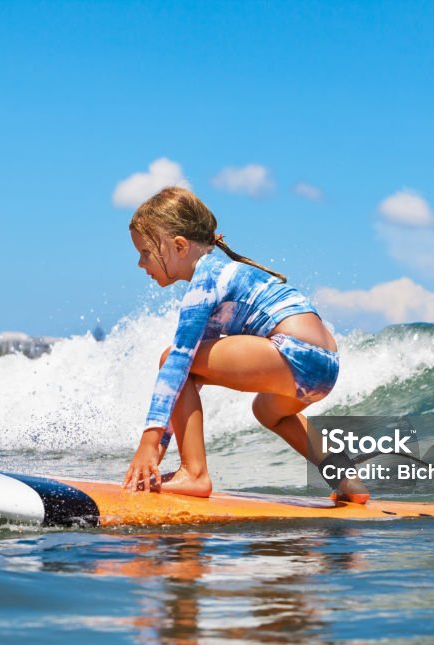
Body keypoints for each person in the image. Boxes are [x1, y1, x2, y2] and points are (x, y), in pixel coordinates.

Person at [122, 186, 369, 504]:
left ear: (179, 246)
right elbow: (185, 386)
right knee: (268, 411)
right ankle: (347, 479)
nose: (141, 264)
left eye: (145, 252)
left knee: (172, 357)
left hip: (293, 350)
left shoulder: (206, 281)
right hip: (325, 364)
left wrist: (149, 440)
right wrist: (157, 450)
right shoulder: (223, 275)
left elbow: (178, 365)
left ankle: (195, 474)